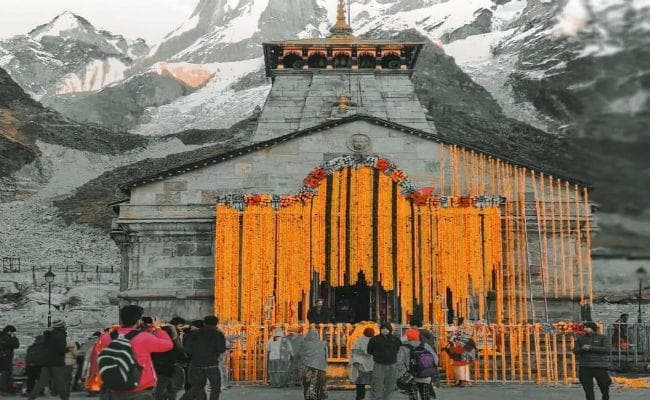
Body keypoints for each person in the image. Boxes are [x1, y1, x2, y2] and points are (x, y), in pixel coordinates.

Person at [98, 306, 173, 399]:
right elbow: (168, 345)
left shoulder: (106, 337)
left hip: (114, 388)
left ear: (121, 320)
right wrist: (157, 328)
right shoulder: (144, 337)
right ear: (138, 321)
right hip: (140, 388)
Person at [180, 315, 226, 400]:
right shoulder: (218, 334)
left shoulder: (195, 333)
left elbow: (187, 349)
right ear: (216, 323)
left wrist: (195, 354)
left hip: (196, 363)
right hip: (212, 364)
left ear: (204, 323)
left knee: (197, 387)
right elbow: (221, 349)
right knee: (215, 387)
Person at [28, 320, 70, 400]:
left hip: (47, 363)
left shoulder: (48, 335)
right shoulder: (60, 335)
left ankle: (31, 397)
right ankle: (65, 398)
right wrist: (67, 349)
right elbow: (60, 349)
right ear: (61, 326)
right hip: (56, 363)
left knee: (41, 383)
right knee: (61, 383)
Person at [573, 321, 612, 400]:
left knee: (604, 385)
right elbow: (575, 351)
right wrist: (582, 349)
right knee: (587, 387)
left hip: (599, 366)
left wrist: (591, 348)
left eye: (587, 327)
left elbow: (607, 349)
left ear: (593, 328)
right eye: (584, 327)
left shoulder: (602, 337)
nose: (585, 329)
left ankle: (605, 397)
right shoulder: (581, 338)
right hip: (585, 366)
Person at [397, 329, 438, 400]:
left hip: (411, 376)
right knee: (425, 397)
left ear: (407, 337)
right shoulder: (425, 345)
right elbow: (436, 359)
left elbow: (399, 363)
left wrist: (404, 374)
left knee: (413, 397)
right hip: (425, 375)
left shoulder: (403, 347)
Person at [367, 323, 401, 400]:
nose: (385, 330)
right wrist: (378, 355)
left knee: (390, 384)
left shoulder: (395, 339)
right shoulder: (374, 339)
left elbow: (399, 349)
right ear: (380, 330)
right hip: (379, 364)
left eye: (387, 329)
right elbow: (369, 350)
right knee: (377, 383)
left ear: (390, 330)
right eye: (383, 329)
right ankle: (376, 398)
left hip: (392, 364)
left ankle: (386, 398)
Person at [152, 325, 184, 400]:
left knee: (162, 390)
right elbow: (181, 355)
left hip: (158, 369)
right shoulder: (174, 344)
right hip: (169, 370)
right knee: (169, 390)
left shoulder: (157, 342)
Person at [444, 317, 476, 387]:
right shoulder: (459, 330)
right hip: (461, 348)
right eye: (454, 320)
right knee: (460, 365)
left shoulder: (459, 330)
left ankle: (463, 380)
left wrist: (452, 341)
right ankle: (461, 380)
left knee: (461, 365)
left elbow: (453, 339)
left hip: (461, 348)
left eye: (455, 320)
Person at [298, 329, 327, 400]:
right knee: (319, 383)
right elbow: (325, 355)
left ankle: (308, 396)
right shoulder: (322, 343)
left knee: (307, 383)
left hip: (307, 366)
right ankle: (318, 396)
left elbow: (300, 354)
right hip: (320, 367)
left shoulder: (304, 344)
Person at [348, 327, 374, 400]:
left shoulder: (359, 340)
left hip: (362, 365)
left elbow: (354, 352)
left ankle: (360, 397)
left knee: (360, 385)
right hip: (370, 366)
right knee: (373, 384)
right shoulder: (374, 341)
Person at [0, 325, 19, 393]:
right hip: (5, 358)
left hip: (5, 357)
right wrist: (14, 337)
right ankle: (4, 389)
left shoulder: (3, 337)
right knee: (6, 373)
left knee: (7, 373)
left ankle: (8, 388)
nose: (14, 333)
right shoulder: (5, 338)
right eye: (13, 332)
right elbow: (16, 345)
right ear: (9, 331)